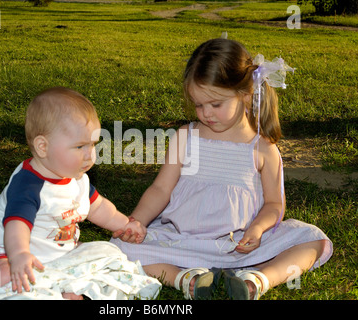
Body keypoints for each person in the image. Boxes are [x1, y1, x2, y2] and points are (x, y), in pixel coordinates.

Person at [111, 38, 333, 300]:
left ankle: (258, 279)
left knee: (313, 240)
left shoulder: (262, 149)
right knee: (118, 249)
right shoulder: (186, 137)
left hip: (240, 245)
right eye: (198, 104)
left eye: (216, 104)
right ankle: (186, 278)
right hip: (183, 240)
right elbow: (160, 188)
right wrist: (137, 221)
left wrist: (258, 229)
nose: (206, 113)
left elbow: (274, 204)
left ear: (245, 95)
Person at [0, 87, 147, 300]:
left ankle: (60, 286)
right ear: (43, 147)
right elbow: (17, 224)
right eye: (80, 146)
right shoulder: (28, 184)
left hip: (57, 256)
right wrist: (19, 255)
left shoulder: (77, 178)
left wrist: (124, 224)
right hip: (1, 256)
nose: (90, 155)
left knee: (109, 253)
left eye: (92, 145)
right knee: (3, 277)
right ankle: (58, 287)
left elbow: (98, 207)